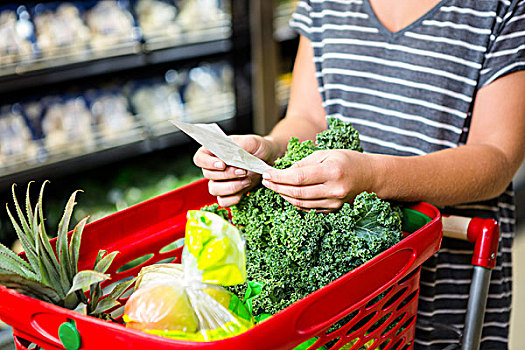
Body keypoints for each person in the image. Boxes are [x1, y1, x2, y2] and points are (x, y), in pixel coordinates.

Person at [194, 0, 525, 348]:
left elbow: (498, 159)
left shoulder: (501, 8)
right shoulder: (325, 4)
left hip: (443, 285)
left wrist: (374, 179)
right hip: (338, 298)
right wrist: (271, 148)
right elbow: (309, 118)